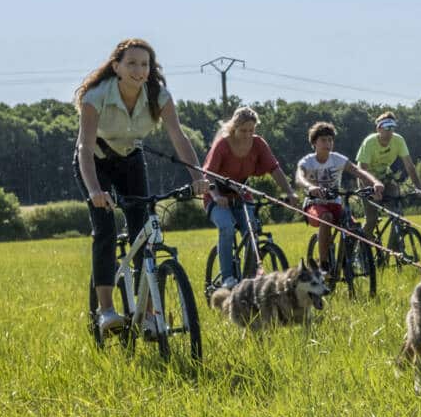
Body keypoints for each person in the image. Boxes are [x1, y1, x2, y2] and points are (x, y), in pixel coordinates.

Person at [73, 38, 208, 336]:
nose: (139, 69)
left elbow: (179, 137)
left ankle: (147, 314)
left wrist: (197, 175)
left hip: (131, 160)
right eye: (131, 63)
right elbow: (84, 146)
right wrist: (95, 190)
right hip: (95, 162)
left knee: (143, 232)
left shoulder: (158, 95)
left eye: (144, 64)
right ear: (116, 67)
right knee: (105, 230)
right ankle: (106, 311)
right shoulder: (96, 96)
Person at [202, 106, 299, 289]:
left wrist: (288, 191)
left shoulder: (258, 144)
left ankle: (251, 277)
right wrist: (215, 196)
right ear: (234, 128)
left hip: (241, 194)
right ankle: (228, 278)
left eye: (251, 130)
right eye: (243, 130)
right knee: (227, 227)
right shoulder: (223, 144)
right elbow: (208, 175)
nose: (247, 135)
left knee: (253, 230)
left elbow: (274, 168)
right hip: (216, 195)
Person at [295, 121, 384, 272]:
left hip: (335, 203)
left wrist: (375, 183)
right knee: (327, 218)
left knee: (354, 228)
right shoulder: (308, 161)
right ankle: (324, 265)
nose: (327, 143)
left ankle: (346, 261)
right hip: (314, 205)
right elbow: (299, 177)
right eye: (323, 140)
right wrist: (311, 187)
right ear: (314, 142)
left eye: (330, 140)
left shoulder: (337, 159)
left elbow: (357, 171)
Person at [355, 111, 421, 239]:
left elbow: (409, 166)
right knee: (372, 219)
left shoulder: (398, 140)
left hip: (384, 179)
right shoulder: (370, 142)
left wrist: (419, 187)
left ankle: (393, 252)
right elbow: (362, 171)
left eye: (392, 127)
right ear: (379, 128)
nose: (390, 132)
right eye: (387, 127)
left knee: (398, 216)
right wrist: (371, 191)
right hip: (366, 180)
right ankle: (362, 251)